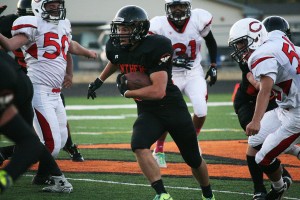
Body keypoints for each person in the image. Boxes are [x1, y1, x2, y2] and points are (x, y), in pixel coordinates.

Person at [87, 5, 215, 200]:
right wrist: (99, 80)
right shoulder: (116, 46)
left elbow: (158, 91)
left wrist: (127, 92)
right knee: (138, 144)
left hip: (172, 108)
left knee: (193, 159)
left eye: (126, 29)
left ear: (140, 29)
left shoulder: (157, 46)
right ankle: (162, 194)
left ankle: (208, 195)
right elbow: (116, 59)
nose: (120, 33)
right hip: (148, 111)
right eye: (119, 28)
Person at [0, 0, 96, 181]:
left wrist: (87, 53)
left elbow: (70, 45)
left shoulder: (63, 24)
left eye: (58, 3)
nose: (56, 7)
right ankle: (45, 177)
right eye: (51, 4)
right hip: (38, 89)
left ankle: (41, 175)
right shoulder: (32, 23)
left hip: (55, 92)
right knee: (50, 145)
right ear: (38, 5)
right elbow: (10, 45)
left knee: (60, 139)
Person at [228, 18, 300, 200]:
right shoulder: (276, 37)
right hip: (286, 106)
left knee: (262, 158)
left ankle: (277, 189)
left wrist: (256, 121)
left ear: (257, 37)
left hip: (297, 112)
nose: (239, 48)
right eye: (237, 44)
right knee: (255, 141)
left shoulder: (261, 55)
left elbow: (265, 90)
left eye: (242, 42)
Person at [148, 0, 218, 168]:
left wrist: (214, 65)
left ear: (188, 7)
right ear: (168, 8)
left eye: (181, 6)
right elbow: (151, 51)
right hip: (170, 74)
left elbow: (211, 41)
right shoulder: (159, 25)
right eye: (174, 6)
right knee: (167, 111)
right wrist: (171, 58)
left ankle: (191, 143)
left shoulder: (198, 20)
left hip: (193, 72)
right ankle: (158, 150)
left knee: (201, 110)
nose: (178, 9)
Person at [0, 49, 73, 194]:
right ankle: (59, 178)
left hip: (16, 81)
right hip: (23, 81)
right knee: (30, 142)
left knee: (38, 142)